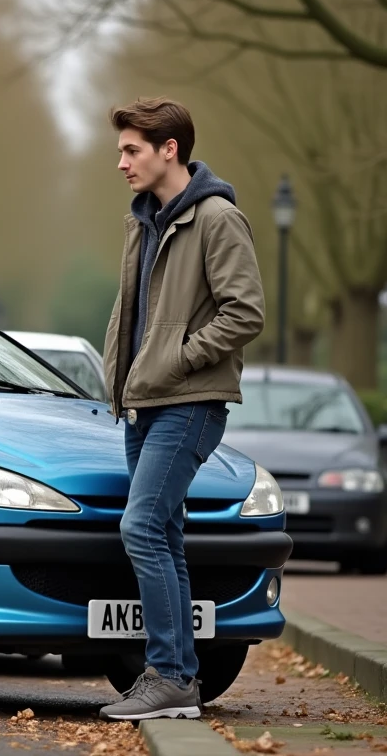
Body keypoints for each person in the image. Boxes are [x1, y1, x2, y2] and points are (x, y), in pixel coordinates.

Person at [98, 97, 265, 721]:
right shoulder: (142, 219)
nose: (121, 162)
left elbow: (244, 312)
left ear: (170, 149)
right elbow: (131, 313)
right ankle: (180, 682)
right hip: (143, 402)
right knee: (162, 533)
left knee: (139, 526)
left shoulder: (218, 218)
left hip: (189, 400)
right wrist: (120, 379)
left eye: (131, 149)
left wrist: (180, 358)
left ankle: (168, 675)